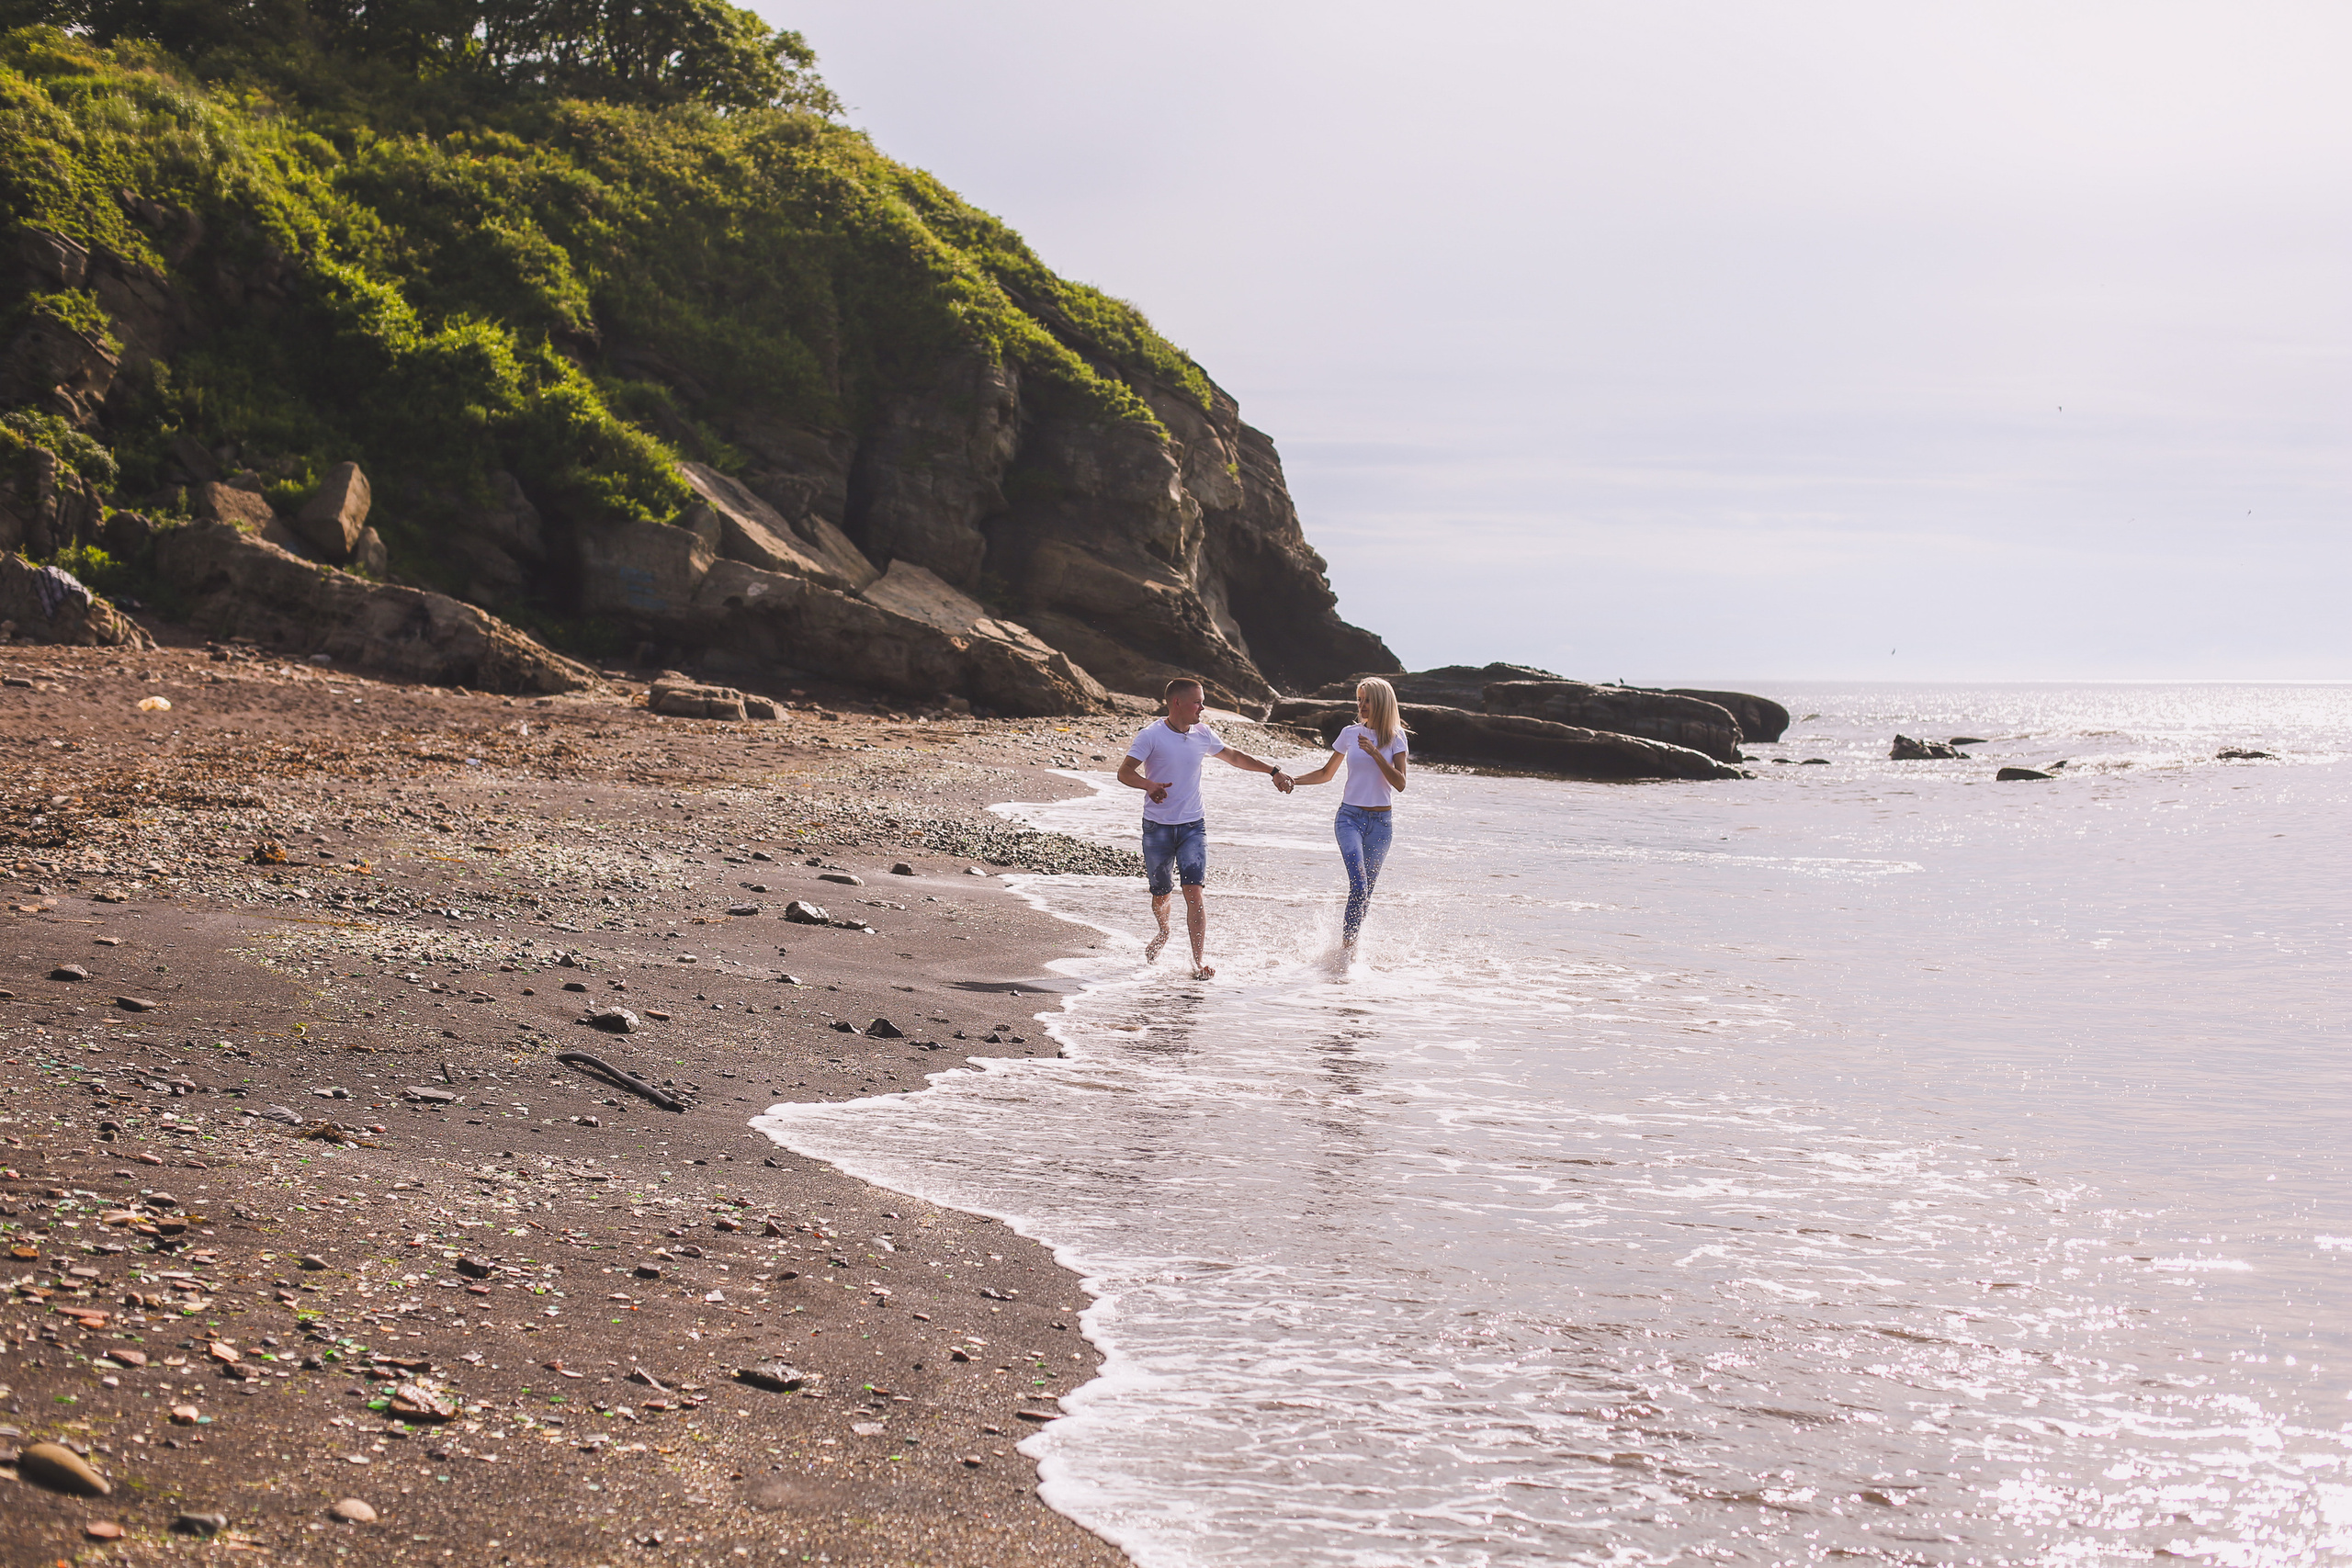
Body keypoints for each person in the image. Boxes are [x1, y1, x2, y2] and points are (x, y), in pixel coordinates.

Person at [1117, 676, 1295, 978]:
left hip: (1192, 827)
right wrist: (1148, 785)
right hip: (1157, 828)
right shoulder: (1151, 736)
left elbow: (1235, 756)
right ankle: (1163, 931)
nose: (1203, 707)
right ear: (1177, 703)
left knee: (1193, 892)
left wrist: (1273, 771)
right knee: (1161, 894)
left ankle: (1198, 961)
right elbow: (1124, 773)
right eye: (1198, 701)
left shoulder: (1203, 733)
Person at [1285, 676, 1408, 956]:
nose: (1362, 705)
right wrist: (1294, 781)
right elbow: (1326, 774)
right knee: (1359, 884)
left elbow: (1400, 784)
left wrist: (1376, 754)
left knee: (1367, 893)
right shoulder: (1350, 733)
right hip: (1349, 818)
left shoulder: (1396, 737)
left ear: (1382, 702)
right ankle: (1346, 950)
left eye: (1368, 700)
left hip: (1381, 824)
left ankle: (1351, 952)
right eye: (1359, 699)